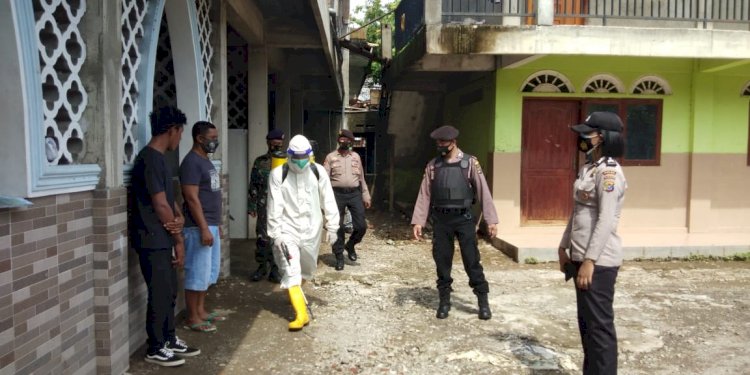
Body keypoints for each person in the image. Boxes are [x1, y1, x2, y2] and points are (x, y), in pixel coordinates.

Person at [558, 111, 627, 375]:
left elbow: (606, 220)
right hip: (580, 257)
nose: (583, 138)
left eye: (589, 134)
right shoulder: (589, 168)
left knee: (599, 329)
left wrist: (590, 261)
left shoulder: (610, 173)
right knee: (586, 326)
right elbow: (578, 214)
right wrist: (563, 247)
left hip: (598, 262)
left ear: (603, 137)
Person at [130, 106, 199, 366]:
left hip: (163, 236)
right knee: (159, 292)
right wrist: (179, 239)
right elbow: (159, 204)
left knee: (169, 290)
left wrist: (179, 216)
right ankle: (155, 347)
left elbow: (169, 200)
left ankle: (169, 339)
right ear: (172, 130)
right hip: (150, 237)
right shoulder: (148, 159)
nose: (180, 138)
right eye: (180, 133)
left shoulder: (160, 160)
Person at [411, 125, 498, 320]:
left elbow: (483, 191)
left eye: (443, 142)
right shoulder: (433, 165)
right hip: (441, 220)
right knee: (442, 261)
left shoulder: (469, 163)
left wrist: (491, 219)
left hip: (463, 219)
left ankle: (482, 301)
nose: (440, 145)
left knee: (471, 260)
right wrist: (418, 221)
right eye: (438, 142)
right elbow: (424, 194)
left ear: (453, 142)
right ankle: (444, 302)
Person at [267, 134, 339, 331]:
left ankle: (294, 293)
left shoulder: (318, 172)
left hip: (311, 230)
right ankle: (301, 314)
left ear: (310, 156)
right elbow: (274, 206)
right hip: (286, 229)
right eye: (295, 157)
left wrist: (333, 226)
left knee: (306, 269)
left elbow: (328, 200)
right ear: (289, 155)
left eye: (303, 157)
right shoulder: (277, 174)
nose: (299, 161)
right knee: (291, 270)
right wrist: (276, 234)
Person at [179, 121, 225, 332]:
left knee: (207, 273)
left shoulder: (205, 161)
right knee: (197, 272)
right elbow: (191, 198)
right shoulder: (191, 162)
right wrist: (204, 227)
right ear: (199, 138)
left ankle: (201, 310)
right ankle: (193, 317)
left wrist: (216, 225)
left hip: (210, 224)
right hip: (197, 227)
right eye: (212, 138)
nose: (215, 141)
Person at [323, 129, 371, 271]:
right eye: (342, 139)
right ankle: (339, 256)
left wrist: (365, 194)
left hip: (354, 194)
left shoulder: (356, 157)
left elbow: (361, 178)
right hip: (336, 194)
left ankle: (350, 245)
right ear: (339, 140)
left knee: (361, 225)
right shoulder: (330, 157)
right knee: (337, 226)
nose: (344, 141)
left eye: (347, 139)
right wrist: (324, 199)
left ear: (351, 142)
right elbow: (324, 180)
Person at [248, 129, 285, 282]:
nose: (276, 144)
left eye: (279, 142)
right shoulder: (260, 161)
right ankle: (262, 267)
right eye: (273, 142)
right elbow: (254, 185)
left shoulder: (288, 162)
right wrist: (252, 206)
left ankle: (275, 269)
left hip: (282, 207)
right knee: (262, 238)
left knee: (278, 238)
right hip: (264, 205)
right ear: (268, 142)